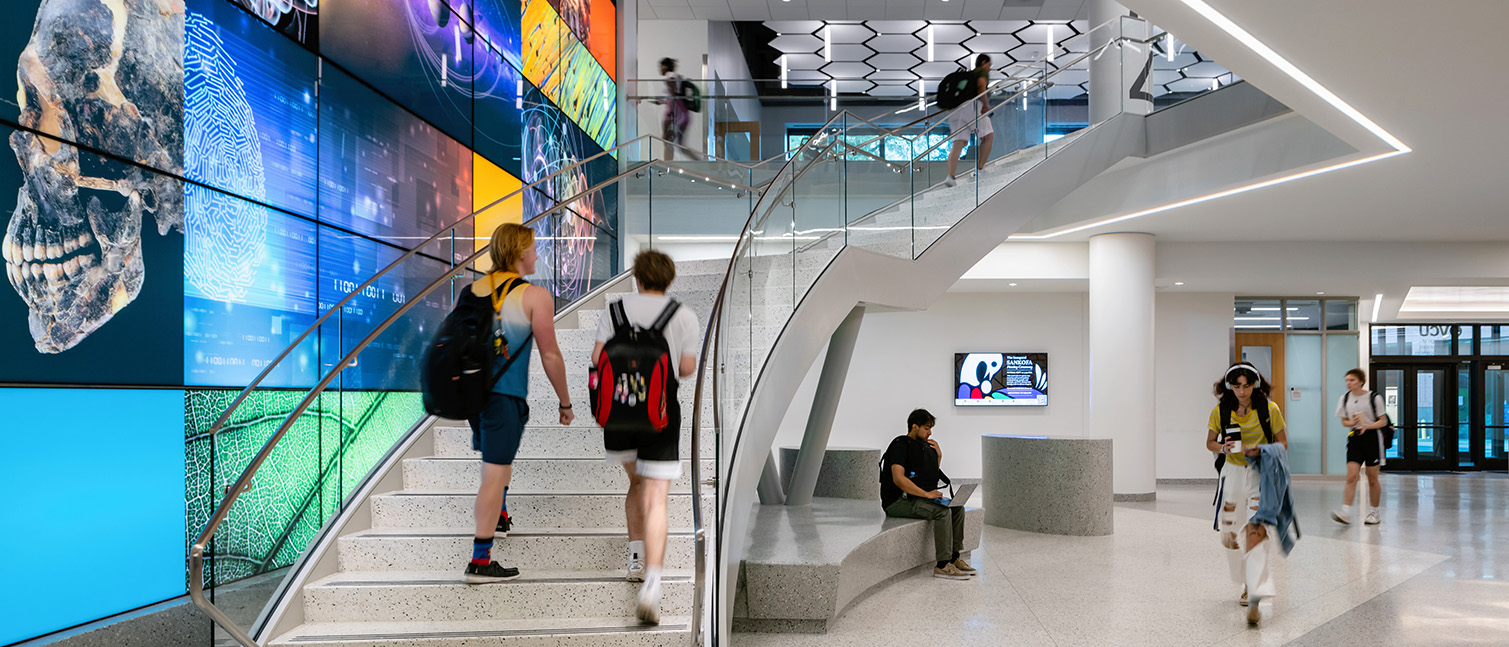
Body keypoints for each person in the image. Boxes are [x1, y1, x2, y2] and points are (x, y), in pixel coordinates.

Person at [591, 250, 701, 624]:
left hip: (619, 414)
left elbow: (596, 359)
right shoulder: (683, 316)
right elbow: (685, 370)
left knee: (635, 484)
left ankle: (635, 556)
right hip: (660, 415)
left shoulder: (614, 311)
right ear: (669, 279)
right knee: (656, 498)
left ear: (636, 277)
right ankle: (652, 583)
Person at [463, 224, 574, 584]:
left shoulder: (472, 290)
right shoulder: (535, 297)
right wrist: (565, 402)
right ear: (518, 252)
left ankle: (500, 514)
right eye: (533, 248)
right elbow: (551, 355)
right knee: (494, 473)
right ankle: (480, 562)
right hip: (503, 398)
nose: (537, 254)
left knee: (499, 459)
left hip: (474, 396)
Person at [1204, 362, 1288, 625]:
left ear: (1255, 384)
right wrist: (1223, 447)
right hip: (1231, 476)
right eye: (1237, 385)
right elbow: (1209, 443)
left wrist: (1261, 451)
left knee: (1254, 530)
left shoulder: (1268, 409)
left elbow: (1283, 442)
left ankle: (1253, 591)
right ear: (1229, 385)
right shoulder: (1221, 411)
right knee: (1231, 536)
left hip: (1260, 476)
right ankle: (1244, 579)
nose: (1242, 391)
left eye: (1247, 385)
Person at [879, 409, 975, 580]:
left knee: (957, 508)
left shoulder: (920, 447)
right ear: (914, 426)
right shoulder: (900, 446)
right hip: (897, 502)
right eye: (926, 428)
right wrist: (926, 494)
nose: (930, 432)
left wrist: (938, 456)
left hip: (915, 498)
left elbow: (928, 475)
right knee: (942, 512)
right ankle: (942, 565)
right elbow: (899, 479)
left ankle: (954, 558)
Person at [1333, 368, 1389, 525]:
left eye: (1352, 380)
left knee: (1372, 479)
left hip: (1372, 439)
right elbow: (1344, 421)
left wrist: (1367, 426)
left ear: (1361, 381)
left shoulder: (1374, 397)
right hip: (1355, 437)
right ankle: (1345, 511)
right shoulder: (1344, 399)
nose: (1348, 383)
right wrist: (1353, 423)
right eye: (1347, 380)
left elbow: (1382, 421)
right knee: (1352, 476)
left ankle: (1374, 512)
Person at [943, 54, 995, 188]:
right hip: (971, 107)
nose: (989, 69)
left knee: (958, 143)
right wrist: (986, 104)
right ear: (983, 62)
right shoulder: (981, 72)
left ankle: (951, 177)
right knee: (988, 136)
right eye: (989, 65)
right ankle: (979, 170)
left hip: (955, 110)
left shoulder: (966, 76)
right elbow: (981, 87)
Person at [657, 57, 692, 160]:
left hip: (673, 112)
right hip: (679, 112)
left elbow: (673, 94)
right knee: (678, 144)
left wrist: (671, 114)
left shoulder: (670, 76)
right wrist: (662, 101)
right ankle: (701, 160)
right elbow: (672, 95)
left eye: (661, 66)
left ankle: (667, 165)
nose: (660, 69)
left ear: (665, 66)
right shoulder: (676, 77)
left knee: (667, 140)